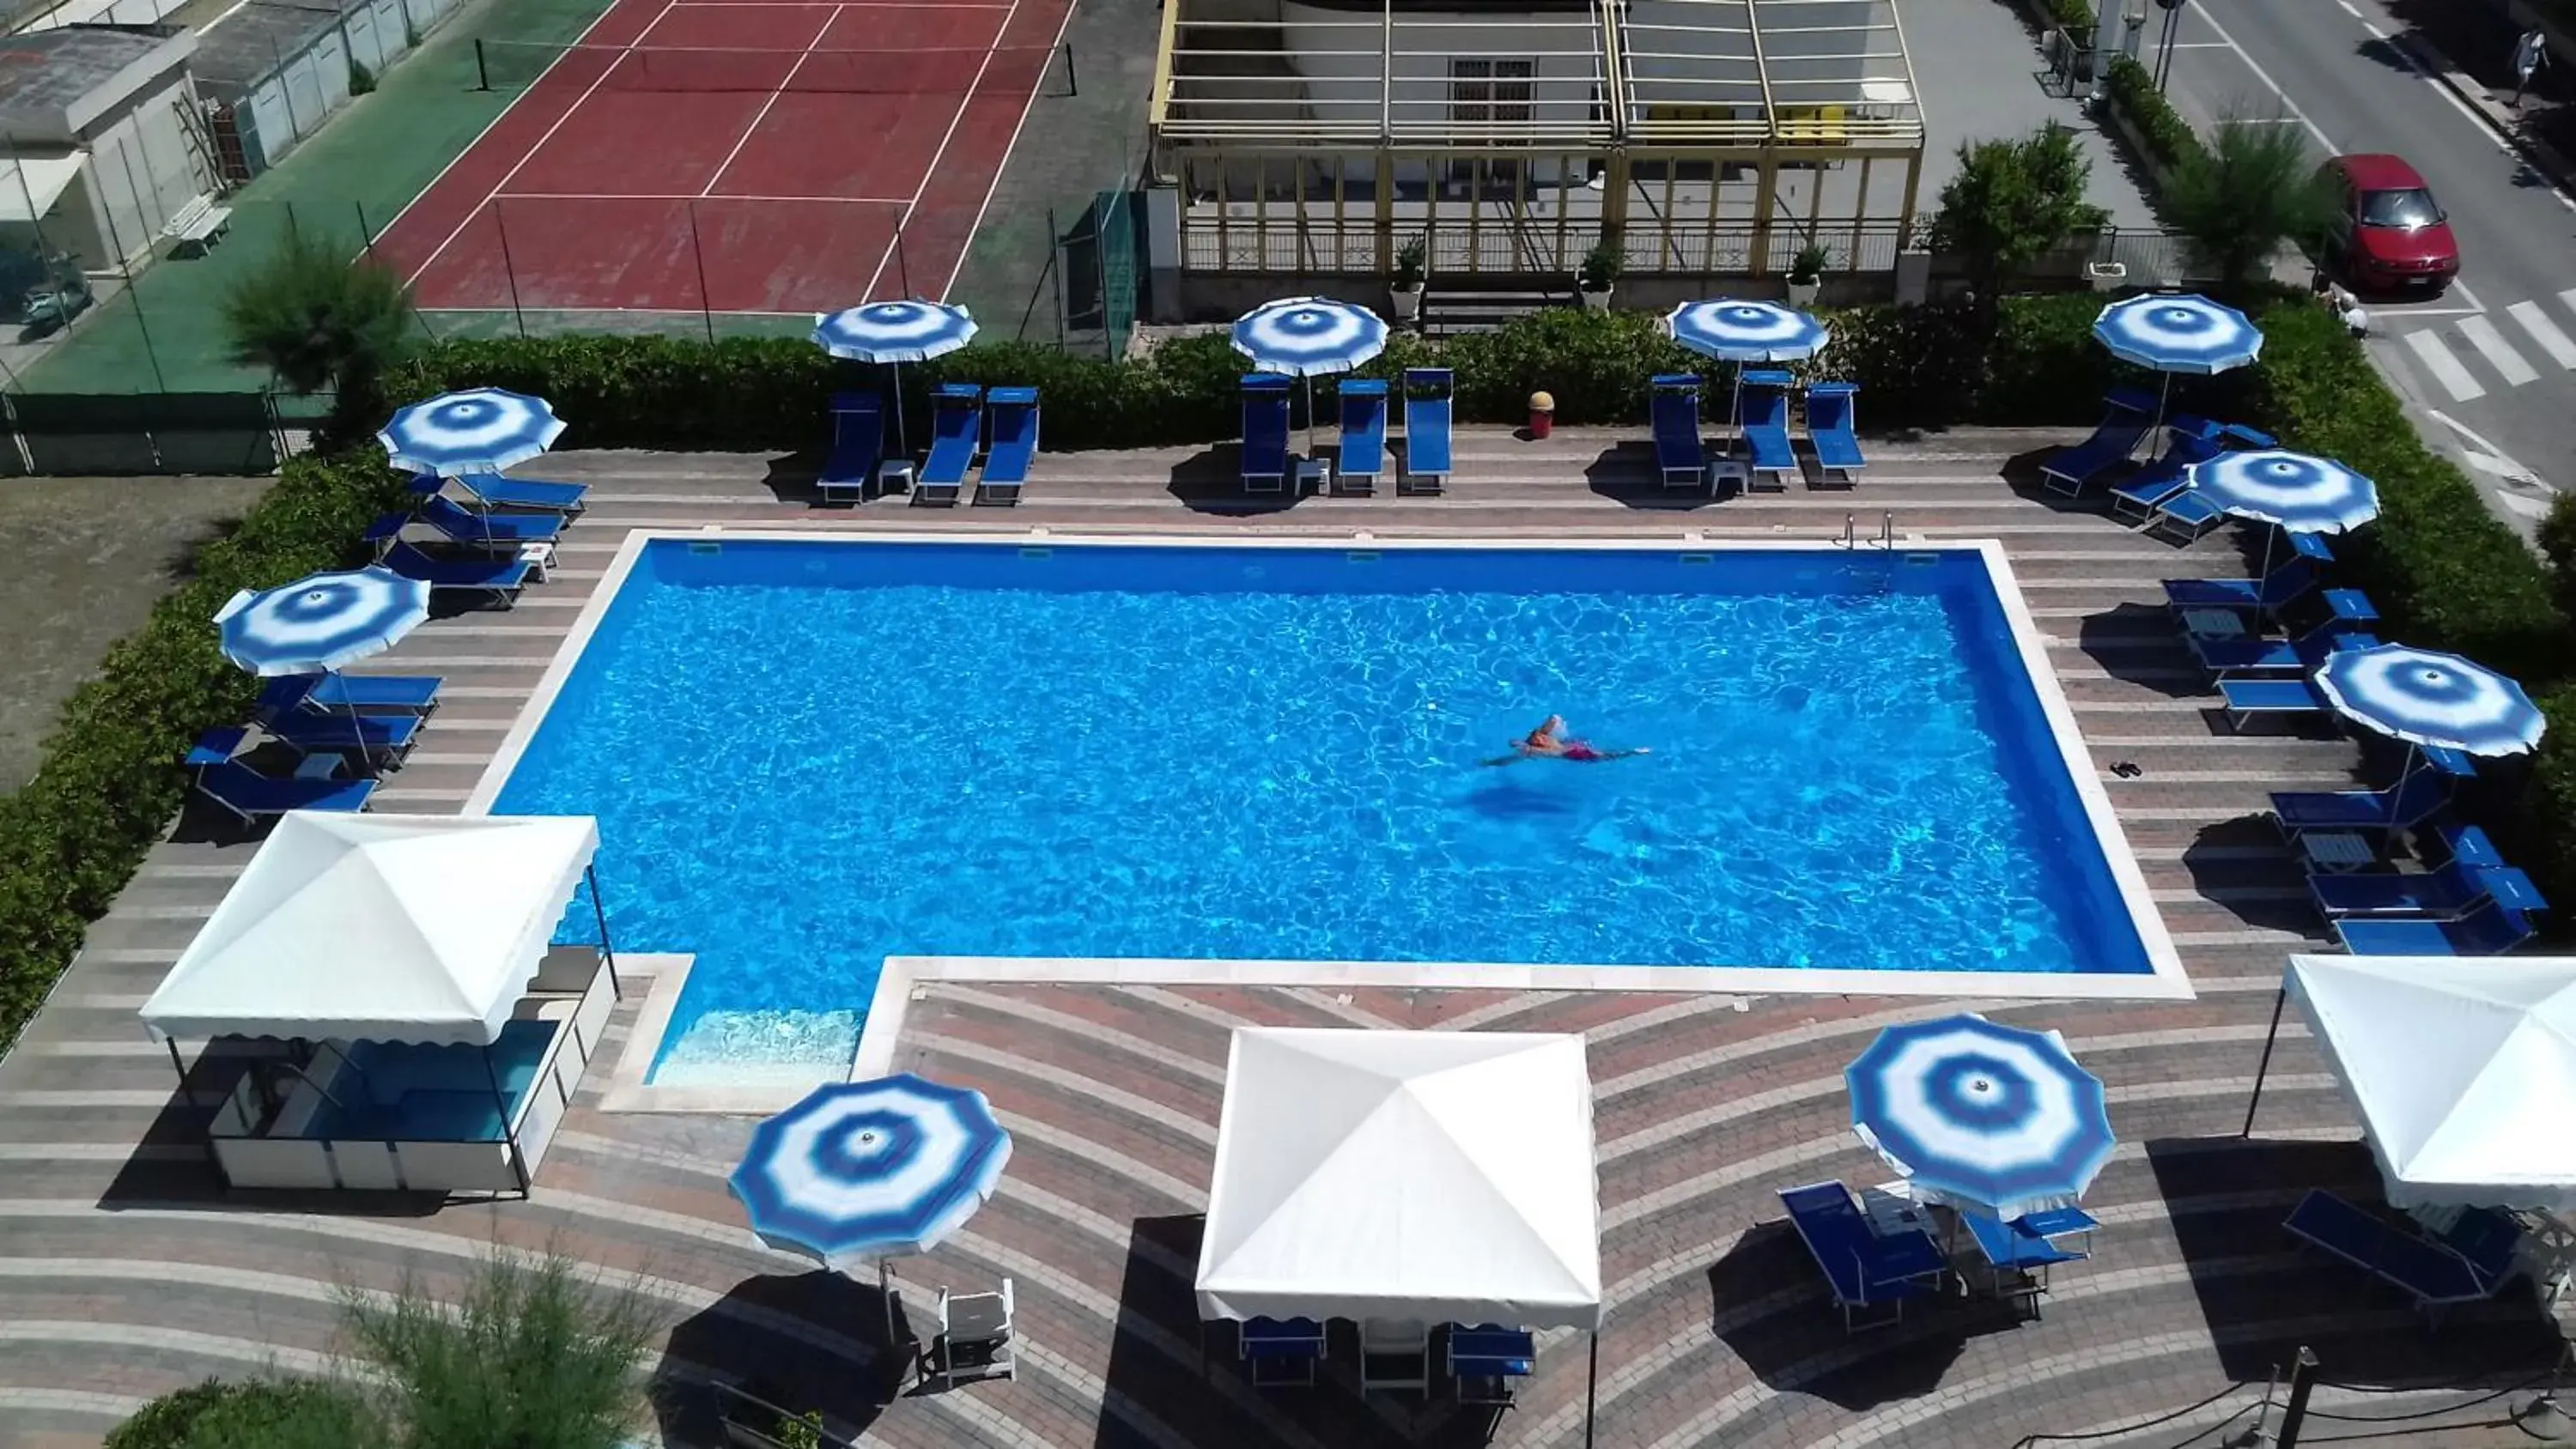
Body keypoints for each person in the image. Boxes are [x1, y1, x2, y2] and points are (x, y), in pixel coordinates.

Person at [1484, 714, 1650, 766]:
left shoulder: (1539, 738)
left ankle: (1634, 752)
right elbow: (1510, 759)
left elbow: (1554, 718)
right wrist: (1491, 763)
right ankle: (1634, 752)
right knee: (1607, 755)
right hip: (1573, 752)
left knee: (1606, 755)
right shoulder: (1536, 749)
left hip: (1571, 747)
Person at [2513, 27, 2546, 108]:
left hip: (2531, 64)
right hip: (2523, 62)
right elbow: (2518, 49)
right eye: (2535, 33)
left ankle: (2517, 100)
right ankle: (2516, 100)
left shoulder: (2540, 38)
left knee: (2524, 82)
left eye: (2537, 33)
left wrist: (2546, 60)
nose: (2536, 35)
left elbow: (2542, 49)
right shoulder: (2524, 38)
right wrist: (2513, 59)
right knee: (2524, 81)